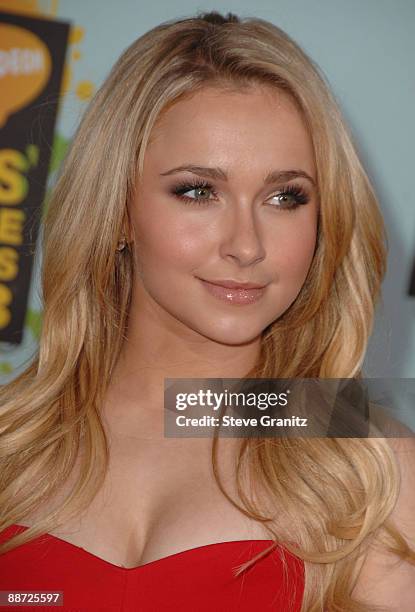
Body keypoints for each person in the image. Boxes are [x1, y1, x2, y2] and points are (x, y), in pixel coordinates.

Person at [0, 10, 414, 611]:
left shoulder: (369, 467)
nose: (246, 245)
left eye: (284, 197)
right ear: (116, 210)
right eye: (198, 190)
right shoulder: (14, 440)